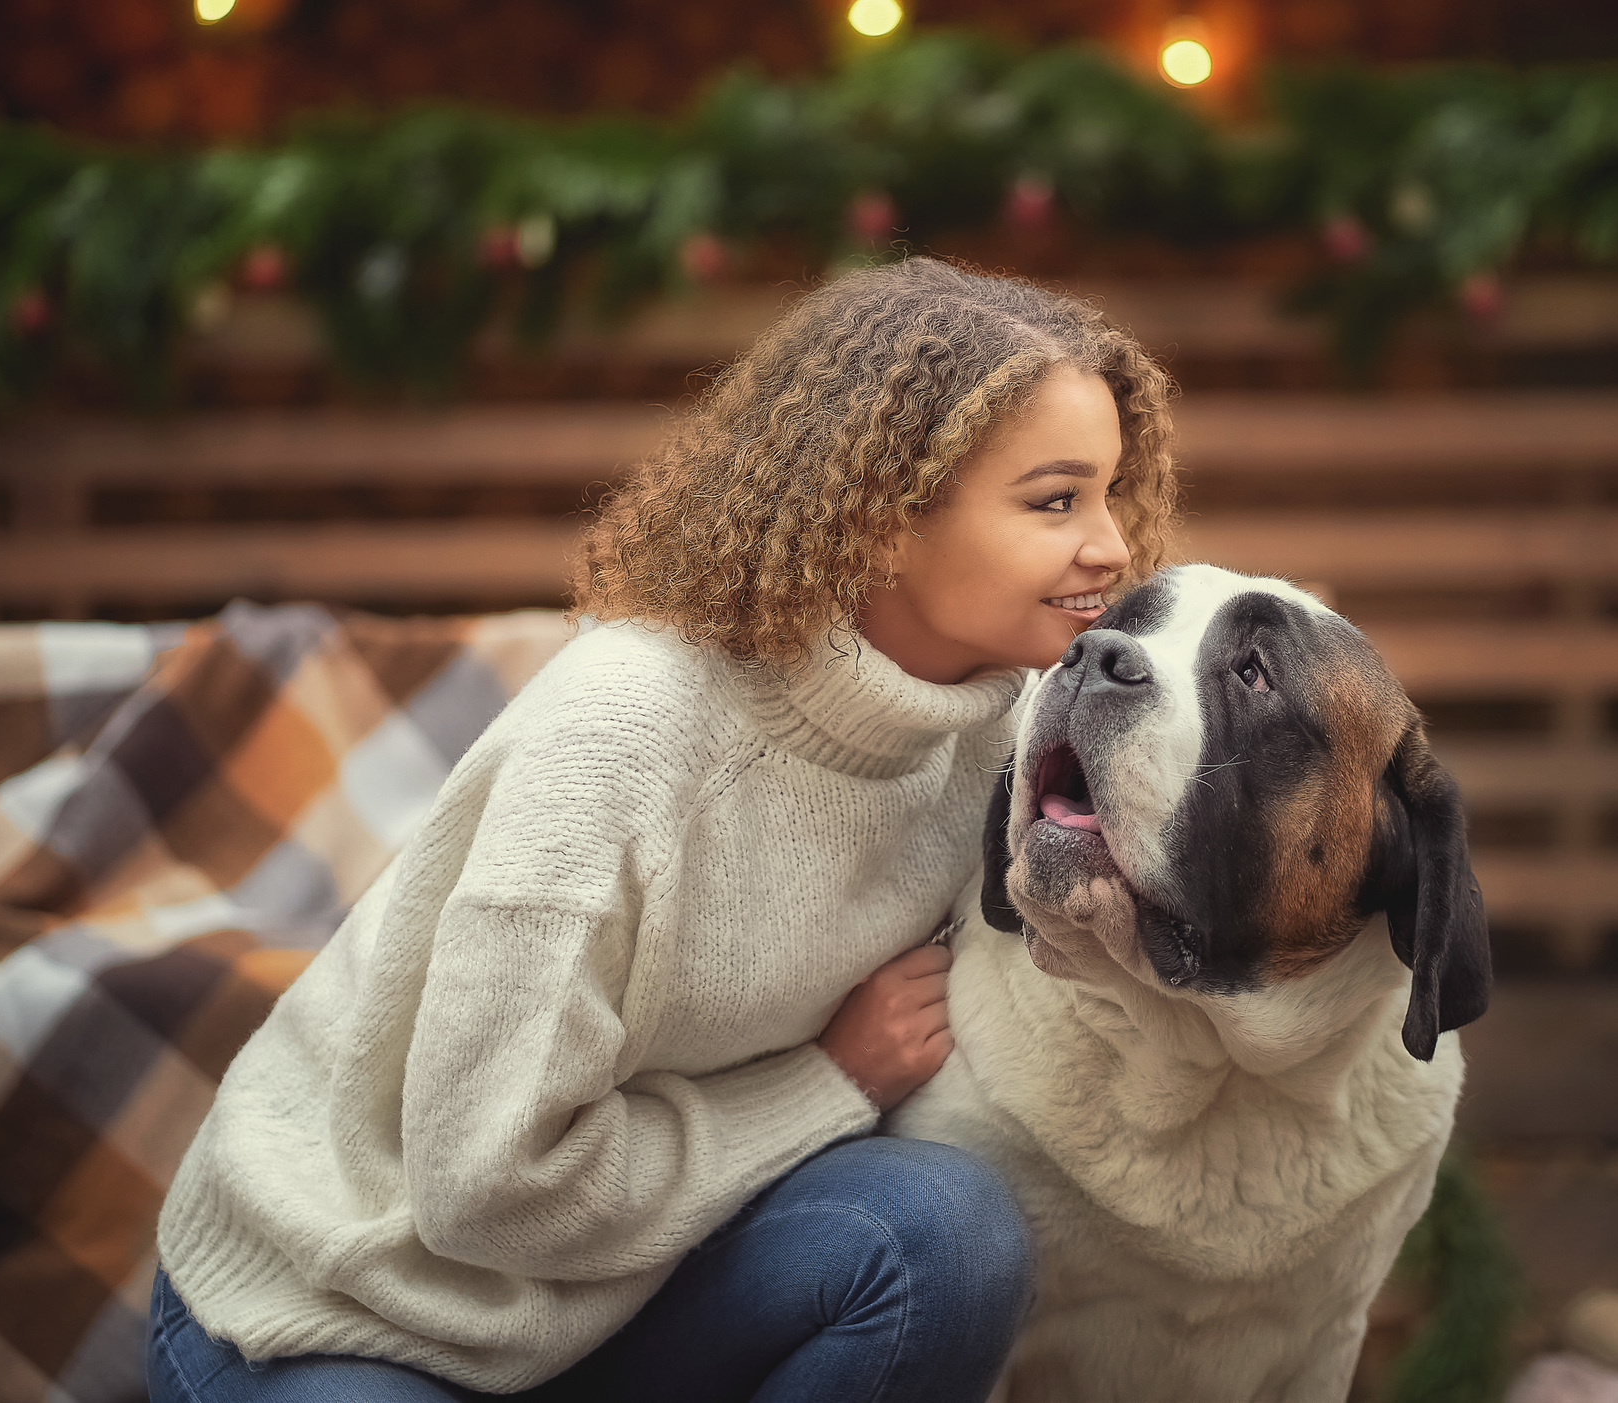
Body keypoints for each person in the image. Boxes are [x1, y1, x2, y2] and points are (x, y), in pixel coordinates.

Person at [146, 257, 1179, 1402]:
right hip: (359, 1300)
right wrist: (829, 1081)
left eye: (1108, 493)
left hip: (637, 1290)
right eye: (1053, 500)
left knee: (947, 1232)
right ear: (881, 523)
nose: (1112, 548)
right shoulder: (624, 736)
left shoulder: (1004, 728)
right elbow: (481, 1189)